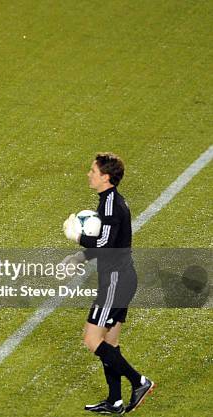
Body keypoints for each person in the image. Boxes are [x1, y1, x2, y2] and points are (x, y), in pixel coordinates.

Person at [63, 153, 155, 414]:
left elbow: (105, 245)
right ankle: (115, 401)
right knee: (110, 344)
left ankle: (139, 381)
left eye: (93, 170)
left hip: (115, 282)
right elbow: (109, 243)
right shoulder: (109, 201)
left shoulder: (111, 205)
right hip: (123, 278)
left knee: (92, 340)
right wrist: (80, 256)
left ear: (105, 176)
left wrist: (78, 237)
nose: (89, 174)